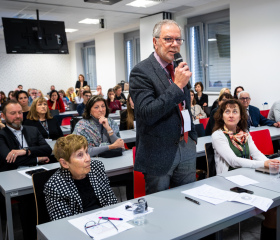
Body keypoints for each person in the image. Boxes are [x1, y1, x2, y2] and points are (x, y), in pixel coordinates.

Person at [129, 19, 197, 195]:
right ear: (155, 41)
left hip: (186, 145)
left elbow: (184, 106)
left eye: (178, 40)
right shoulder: (141, 71)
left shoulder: (178, 67)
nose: (174, 45)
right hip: (158, 152)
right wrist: (177, 86)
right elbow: (146, 113)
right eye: (168, 39)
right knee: (159, 208)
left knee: (187, 201)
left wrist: (192, 139)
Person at [212, 98, 279, 239]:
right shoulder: (218, 135)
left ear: (241, 116)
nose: (231, 115)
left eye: (235, 112)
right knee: (272, 209)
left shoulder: (244, 134)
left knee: (274, 206)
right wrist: (263, 164)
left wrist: (270, 162)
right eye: (227, 112)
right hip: (228, 183)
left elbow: (256, 154)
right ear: (221, 115)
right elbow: (233, 161)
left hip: (247, 178)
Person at [0, 100, 52, 240]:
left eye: (19, 112)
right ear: (3, 116)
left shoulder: (32, 129)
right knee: (30, 200)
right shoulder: (2, 135)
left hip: (38, 172)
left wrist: (25, 151)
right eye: (13, 113)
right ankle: (31, 235)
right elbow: (9, 160)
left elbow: (47, 149)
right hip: (14, 177)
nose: (17, 116)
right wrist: (37, 158)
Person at [44, 134, 118, 221]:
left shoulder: (97, 167)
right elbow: (64, 222)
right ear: (64, 163)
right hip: (80, 227)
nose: (88, 159)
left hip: (106, 221)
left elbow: (111, 201)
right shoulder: (54, 186)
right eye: (80, 155)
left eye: (86, 152)